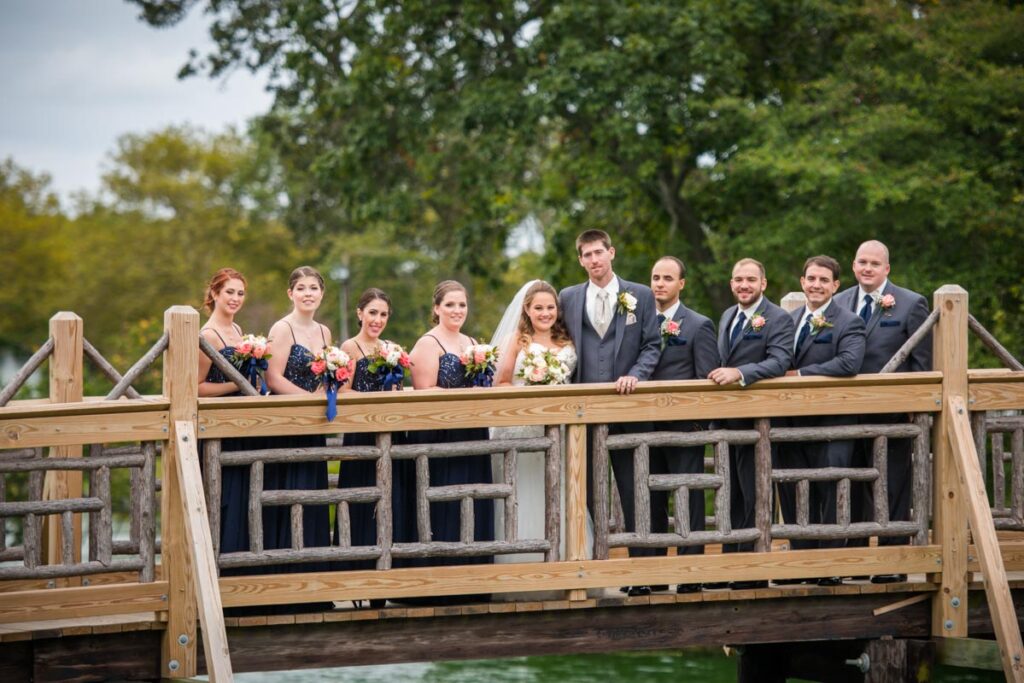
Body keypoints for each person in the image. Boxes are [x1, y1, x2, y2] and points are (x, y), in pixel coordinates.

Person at [558, 229, 661, 591]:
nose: (593, 260)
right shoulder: (568, 297)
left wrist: (635, 375)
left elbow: (652, 345)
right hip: (582, 416)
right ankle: (589, 572)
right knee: (583, 493)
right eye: (586, 255)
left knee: (636, 491)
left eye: (598, 252)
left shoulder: (640, 295)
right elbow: (558, 343)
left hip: (628, 410)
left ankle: (644, 576)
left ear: (611, 252)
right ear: (580, 260)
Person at [833, 240, 932, 583]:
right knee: (853, 483)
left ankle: (893, 559)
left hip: (892, 414)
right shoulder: (839, 301)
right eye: (862, 262)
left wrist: (913, 410)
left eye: (875, 263)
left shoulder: (911, 303)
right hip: (847, 412)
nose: (867, 268)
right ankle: (857, 556)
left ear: (887, 268)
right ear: (853, 264)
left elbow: (922, 365)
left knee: (893, 485)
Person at [490, 280, 585, 599]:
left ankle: (565, 566)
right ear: (527, 310)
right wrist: (528, 394)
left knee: (558, 491)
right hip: (523, 429)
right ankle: (520, 568)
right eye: (538, 308)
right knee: (523, 492)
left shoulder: (567, 338)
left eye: (550, 307)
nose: (545, 313)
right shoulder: (517, 339)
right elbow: (500, 384)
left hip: (559, 428)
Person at [400, 280, 494, 602]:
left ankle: (473, 577)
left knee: (474, 497)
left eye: (462, 305)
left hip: (471, 432)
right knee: (445, 503)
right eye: (450, 305)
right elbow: (424, 391)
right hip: (439, 436)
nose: (457, 311)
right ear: (437, 308)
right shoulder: (427, 343)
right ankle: (438, 581)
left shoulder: (471, 342)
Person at [775, 256, 865, 586]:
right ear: (802, 282)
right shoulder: (790, 319)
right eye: (811, 278)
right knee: (794, 488)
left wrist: (800, 374)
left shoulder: (848, 321)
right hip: (791, 422)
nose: (816, 285)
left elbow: (849, 363)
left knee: (829, 488)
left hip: (832, 421)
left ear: (835, 286)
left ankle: (829, 564)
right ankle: (802, 562)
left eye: (823, 280)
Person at [709, 258, 794, 589]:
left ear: (763, 284)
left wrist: (740, 373)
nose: (743, 285)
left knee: (755, 493)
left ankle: (754, 568)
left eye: (750, 280)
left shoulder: (778, 318)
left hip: (759, 421)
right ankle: (732, 564)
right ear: (731, 284)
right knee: (729, 494)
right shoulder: (728, 316)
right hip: (727, 420)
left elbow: (779, 361)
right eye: (738, 280)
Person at [647, 256, 719, 594]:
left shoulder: (698, 324)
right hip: (644, 426)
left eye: (667, 278)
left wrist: (696, 425)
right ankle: (653, 572)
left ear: (681, 284)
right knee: (650, 497)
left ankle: (690, 571)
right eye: (656, 277)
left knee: (688, 495)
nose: (660, 283)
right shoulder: (639, 321)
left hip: (684, 427)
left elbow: (706, 375)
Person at [263, 266, 333, 609]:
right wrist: (306, 402)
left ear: (322, 294)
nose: (308, 293)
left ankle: (313, 582)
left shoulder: (324, 331)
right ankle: (283, 583)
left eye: (314, 288)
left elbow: (328, 376)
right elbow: (273, 378)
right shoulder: (283, 328)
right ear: (290, 293)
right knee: (288, 492)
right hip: (287, 423)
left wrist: (323, 395)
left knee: (313, 495)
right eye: (302, 288)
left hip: (313, 425)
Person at [335, 289, 402, 607]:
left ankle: (386, 575)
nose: (378, 320)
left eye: (384, 314)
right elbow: (344, 392)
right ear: (360, 313)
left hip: (389, 432)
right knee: (360, 498)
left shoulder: (391, 349)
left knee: (389, 499)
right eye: (373, 313)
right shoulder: (351, 346)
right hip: (361, 434)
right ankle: (356, 574)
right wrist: (374, 403)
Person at [196, 268, 254, 568]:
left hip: (242, 426)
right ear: (215, 294)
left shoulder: (239, 331)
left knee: (246, 497)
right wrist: (237, 385)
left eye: (240, 293)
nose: (235, 298)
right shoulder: (207, 336)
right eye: (229, 292)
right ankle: (220, 571)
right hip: (220, 429)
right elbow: (197, 387)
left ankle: (243, 569)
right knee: (225, 499)